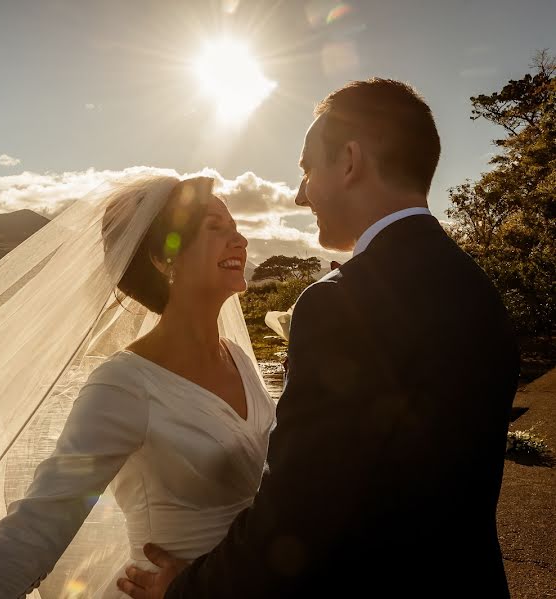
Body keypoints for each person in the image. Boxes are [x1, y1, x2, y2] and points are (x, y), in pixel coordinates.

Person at [119, 78, 520, 598]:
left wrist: (184, 591)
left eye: (307, 168)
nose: (298, 192)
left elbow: (300, 512)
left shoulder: (341, 303)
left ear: (350, 161)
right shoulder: (478, 290)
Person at [0, 176, 276, 598]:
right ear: (163, 257)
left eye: (235, 226)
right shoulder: (124, 385)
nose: (240, 239)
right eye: (216, 227)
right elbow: (40, 521)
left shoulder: (239, 359)